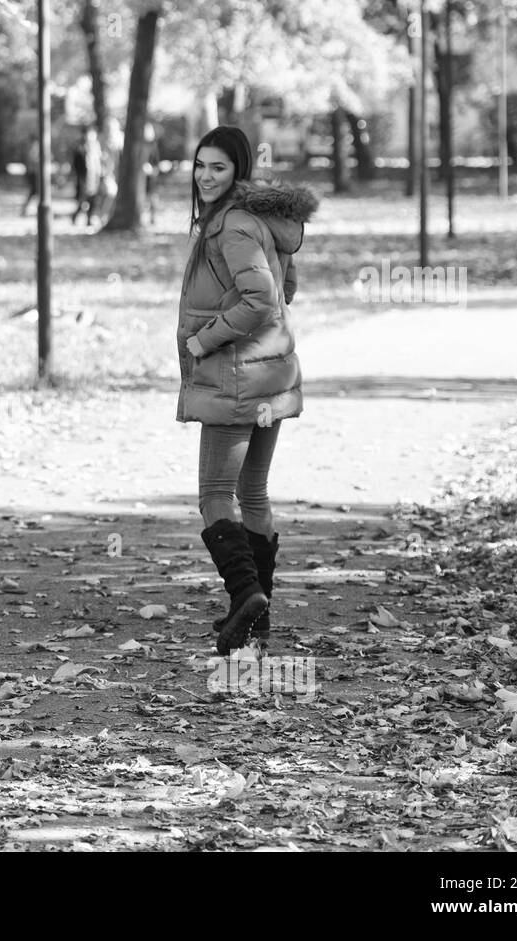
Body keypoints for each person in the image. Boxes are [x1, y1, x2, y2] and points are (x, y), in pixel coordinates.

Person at [175, 125, 318, 654]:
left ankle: (245, 594)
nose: (206, 176)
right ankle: (257, 612)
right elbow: (288, 289)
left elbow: (260, 298)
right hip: (270, 377)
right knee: (252, 492)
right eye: (200, 165)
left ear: (238, 171)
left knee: (215, 494)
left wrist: (205, 340)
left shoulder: (230, 226)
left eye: (218, 167)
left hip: (234, 377)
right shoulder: (261, 219)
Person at [70, 125, 101, 226]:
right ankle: (75, 216)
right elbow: (77, 164)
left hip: (94, 176)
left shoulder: (96, 147)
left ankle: (89, 218)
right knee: (83, 200)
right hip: (83, 177)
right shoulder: (80, 147)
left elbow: (98, 162)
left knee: (92, 200)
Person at [20, 134, 40, 217]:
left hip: (34, 173)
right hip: (33, 173)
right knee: (35, 191)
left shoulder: (33, 149)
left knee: (35, 192)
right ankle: (26, 209)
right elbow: (31, 162)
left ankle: (25, 209)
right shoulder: (32, 150)